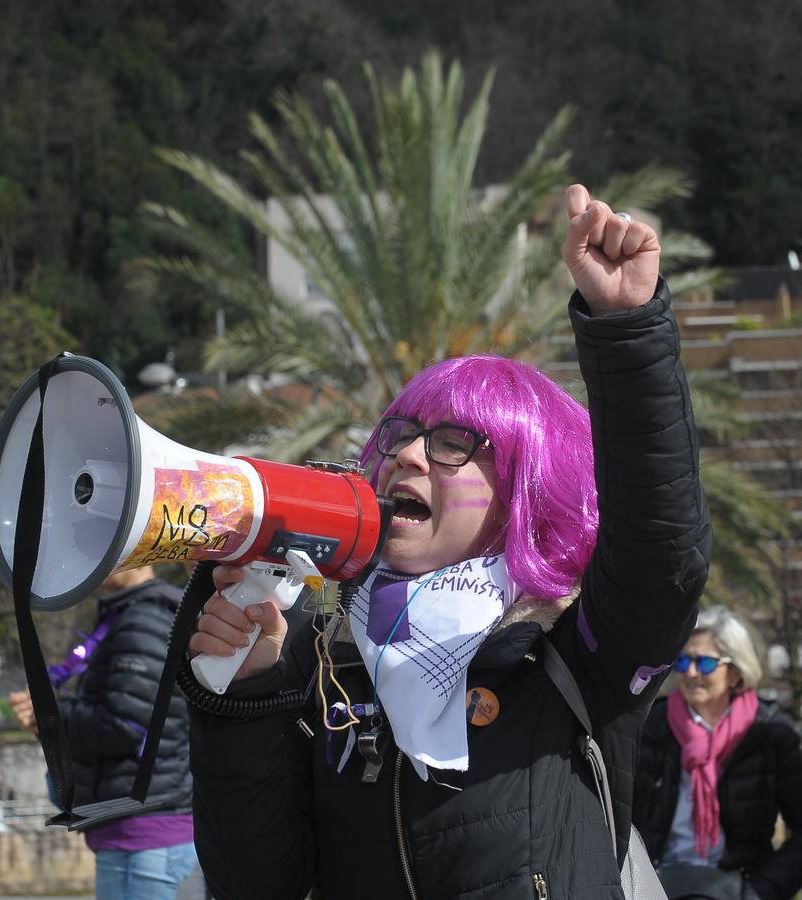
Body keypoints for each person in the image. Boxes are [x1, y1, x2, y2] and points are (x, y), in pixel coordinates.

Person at [185, 184, 713, 899]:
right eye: (397, 436)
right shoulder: (320, 661)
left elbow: (664, 551)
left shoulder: (576, 654)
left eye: (454, 443)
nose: (405, 456)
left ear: (527, 492)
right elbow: (256, 886)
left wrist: (626, 331)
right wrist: (246, 700)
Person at [9, 566, 202, 900]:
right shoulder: (136, 613)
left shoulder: (144, 619)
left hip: (142, 840)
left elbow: (126, 725)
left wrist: (49, 718)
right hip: (146, 837)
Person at [633, 606, 802, 900]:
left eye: (706, 664)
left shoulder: (770, 733)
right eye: (684, 660)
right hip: (657, 886)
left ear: (736, 672)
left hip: (737, 888)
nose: (690, 672)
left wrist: (760, 891)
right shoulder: (650, 726)